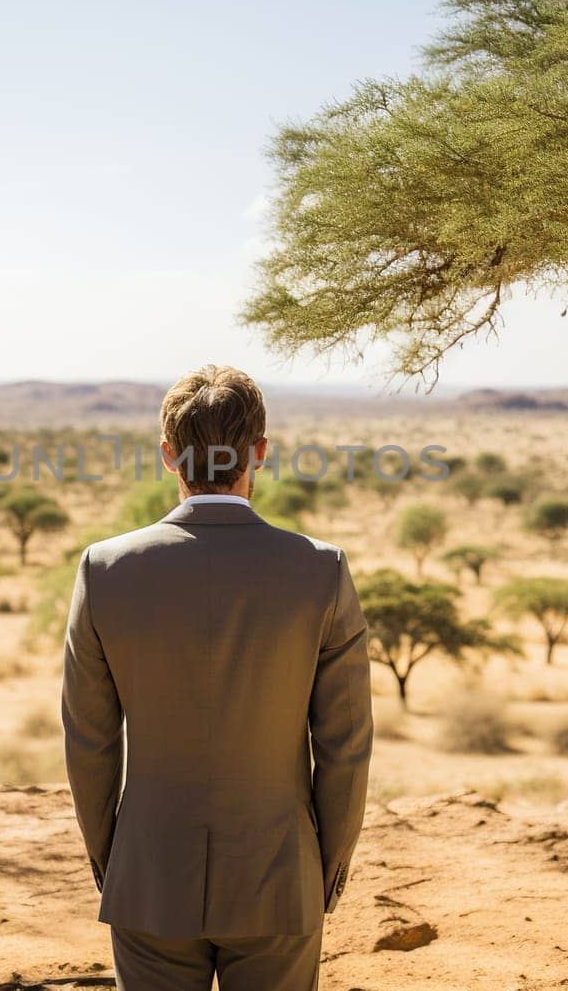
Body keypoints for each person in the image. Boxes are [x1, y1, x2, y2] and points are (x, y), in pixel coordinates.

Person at [62, 364, 373, 990]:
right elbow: (345, 746)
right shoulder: (320, 571)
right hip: (280, 880)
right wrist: (323, 872)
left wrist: (113, 861)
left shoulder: (105, 570)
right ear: (260, 452)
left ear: (168, 456)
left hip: (149, 874)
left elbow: (90, 742)